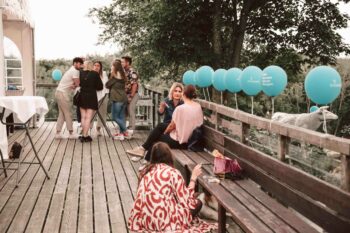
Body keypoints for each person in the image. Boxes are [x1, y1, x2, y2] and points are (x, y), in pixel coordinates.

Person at [128, 142, 217, 232]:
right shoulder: (172, 172)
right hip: (166, 223)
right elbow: (187, 200)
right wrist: (193, 177)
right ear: (168, 156)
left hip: (145, 220)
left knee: (195, 195)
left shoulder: (145, 171)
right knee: (198, 202)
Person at [127, 85, 203, 161]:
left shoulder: (180, 108)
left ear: (183, 94)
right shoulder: (198, 106)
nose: (177, 93)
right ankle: (144, 154)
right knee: (159, 129)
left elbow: (172, 126)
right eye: (175, 91)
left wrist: (165, 134)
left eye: (180, 91)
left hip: (181, 141)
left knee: (157, 140)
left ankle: (145, 158)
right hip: (192, 140)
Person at [55, 57, 84, 139]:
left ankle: (58, 133)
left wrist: (73, 85)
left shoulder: (71, 70)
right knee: (68, 113)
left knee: (62, 114)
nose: (81, 66)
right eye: (80, 64)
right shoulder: (75, 71)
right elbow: (78, 84)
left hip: (59, 92)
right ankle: (71, 133)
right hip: (62, 94)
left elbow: (74, 84)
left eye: (81, 64)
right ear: (75, 63)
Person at [77, 60, 103, 142]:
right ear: (91, 66)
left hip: (82, 96)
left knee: (83, 117)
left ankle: (83, 135)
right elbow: (100, 87)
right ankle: (85, 135)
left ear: (84, 65)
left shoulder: (80, 73)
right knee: (88, 118)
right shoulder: (95, 74)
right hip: (91, 97)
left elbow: (79, 84)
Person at [106, 59, 131, 140]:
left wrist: (111, 73)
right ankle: (122, 134)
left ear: (115, 67)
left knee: (115, 117)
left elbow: (107, 85)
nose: (111, 67)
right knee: (121, 117)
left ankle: (126, 131)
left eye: (112, 66)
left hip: (117, 99)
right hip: (124, 98)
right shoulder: (123, 75)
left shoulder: (114, 76)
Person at [121, 56, 139, 132]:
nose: (121, 63)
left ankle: (131, 130)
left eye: (122, 62)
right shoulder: (124, 71)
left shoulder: (133, 72)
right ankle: (124, 130)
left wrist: (131, 96)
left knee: (130, 110)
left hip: (133, 94)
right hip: (125, 95)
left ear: (127, 63)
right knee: (124, 111)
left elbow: (134, 85)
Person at [94, 61, 109, 136]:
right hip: (93, 95)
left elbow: (105, 84)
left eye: (98, 66)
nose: (96, 67)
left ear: (100, 67)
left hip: (103, 95)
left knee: (102, 112)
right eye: (95, 65)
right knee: (91, 112)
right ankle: (86, 128)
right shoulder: (91, 73)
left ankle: (98, 129)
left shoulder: (104, 73)